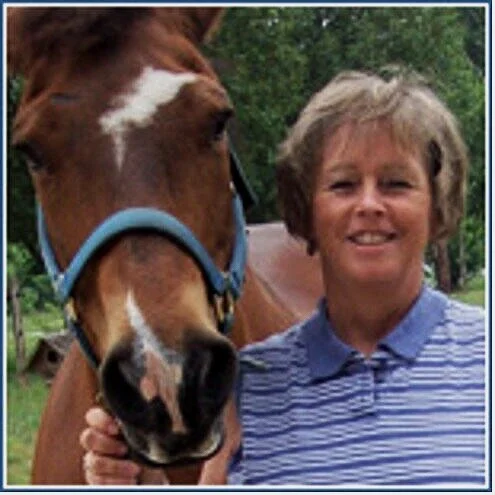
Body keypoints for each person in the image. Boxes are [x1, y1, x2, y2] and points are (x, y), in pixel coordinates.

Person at [79, 69, 486, 486]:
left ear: (437, 206)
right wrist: (140, 482)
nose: (369, 204)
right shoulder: (245, 389)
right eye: (343, 185)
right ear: (306, 212)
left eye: (396, 184)